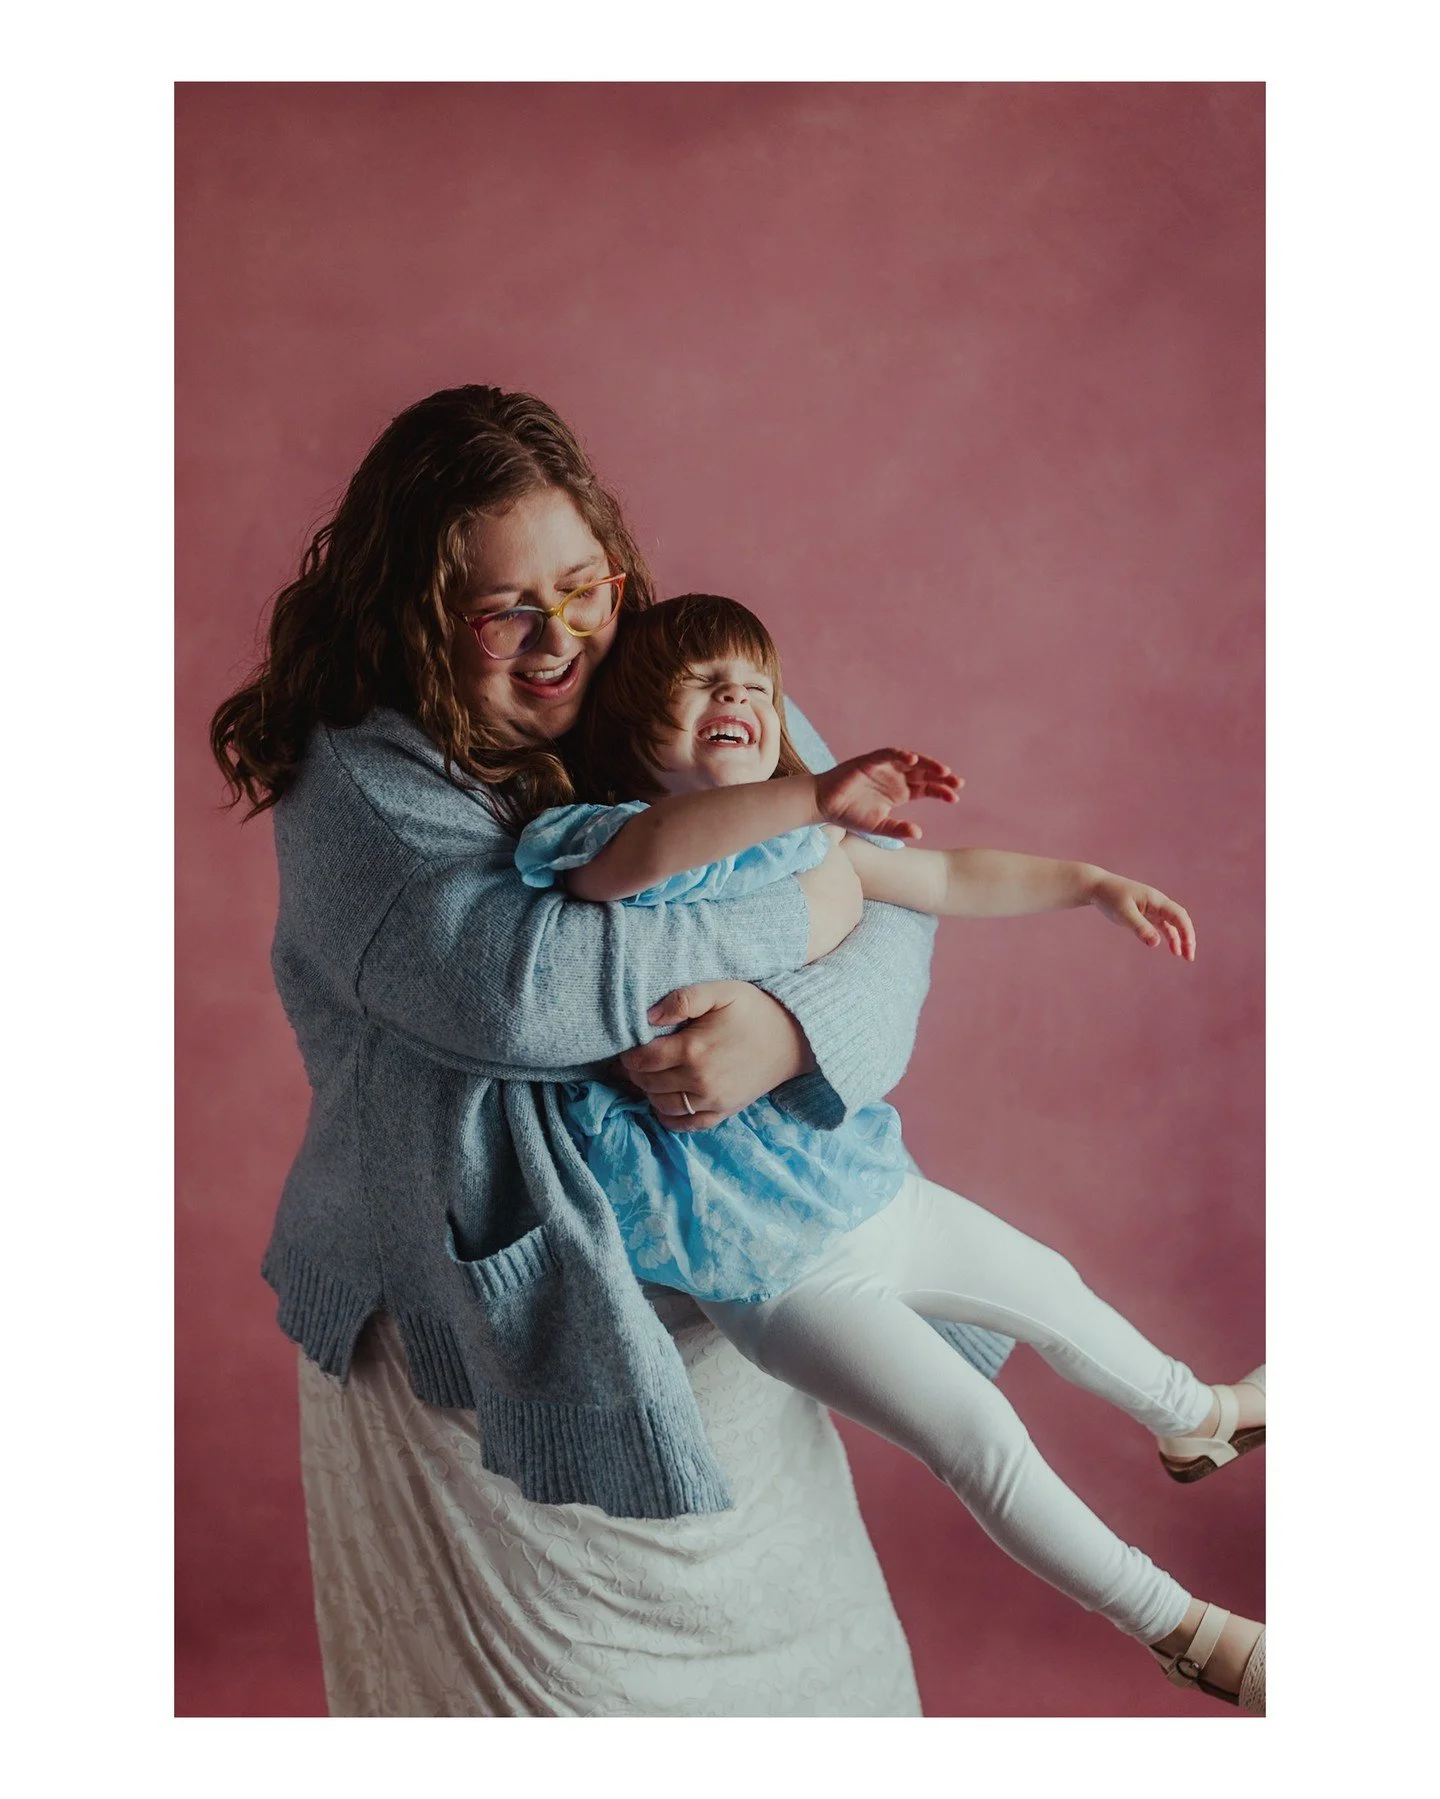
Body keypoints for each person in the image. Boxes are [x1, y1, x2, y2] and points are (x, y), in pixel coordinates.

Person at [208, 383, 1012, 1717]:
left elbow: (892, 890)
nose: (562, 639)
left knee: (826, 1696)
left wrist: (790, 1028)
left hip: (734, 1298)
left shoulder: (674, 679)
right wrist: (812, 901)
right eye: (505, 612)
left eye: (583, 587)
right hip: (496, 1355)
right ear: (415, 616)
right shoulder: (359, 780)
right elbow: (526, 989)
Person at [507, 593, 1267, 1715]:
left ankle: (1192, 1415)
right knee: (979, 1436)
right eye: (704, 683)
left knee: (1052, 1287)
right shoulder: (604, 841)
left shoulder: (812, 846)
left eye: (757, 686)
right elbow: (644, 857)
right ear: (630, 722)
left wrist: (1089, 883)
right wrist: (811, 793)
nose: (738, 697)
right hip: (775, 1272)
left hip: (873, 1189)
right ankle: (1180, 1626)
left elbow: (952, 878)